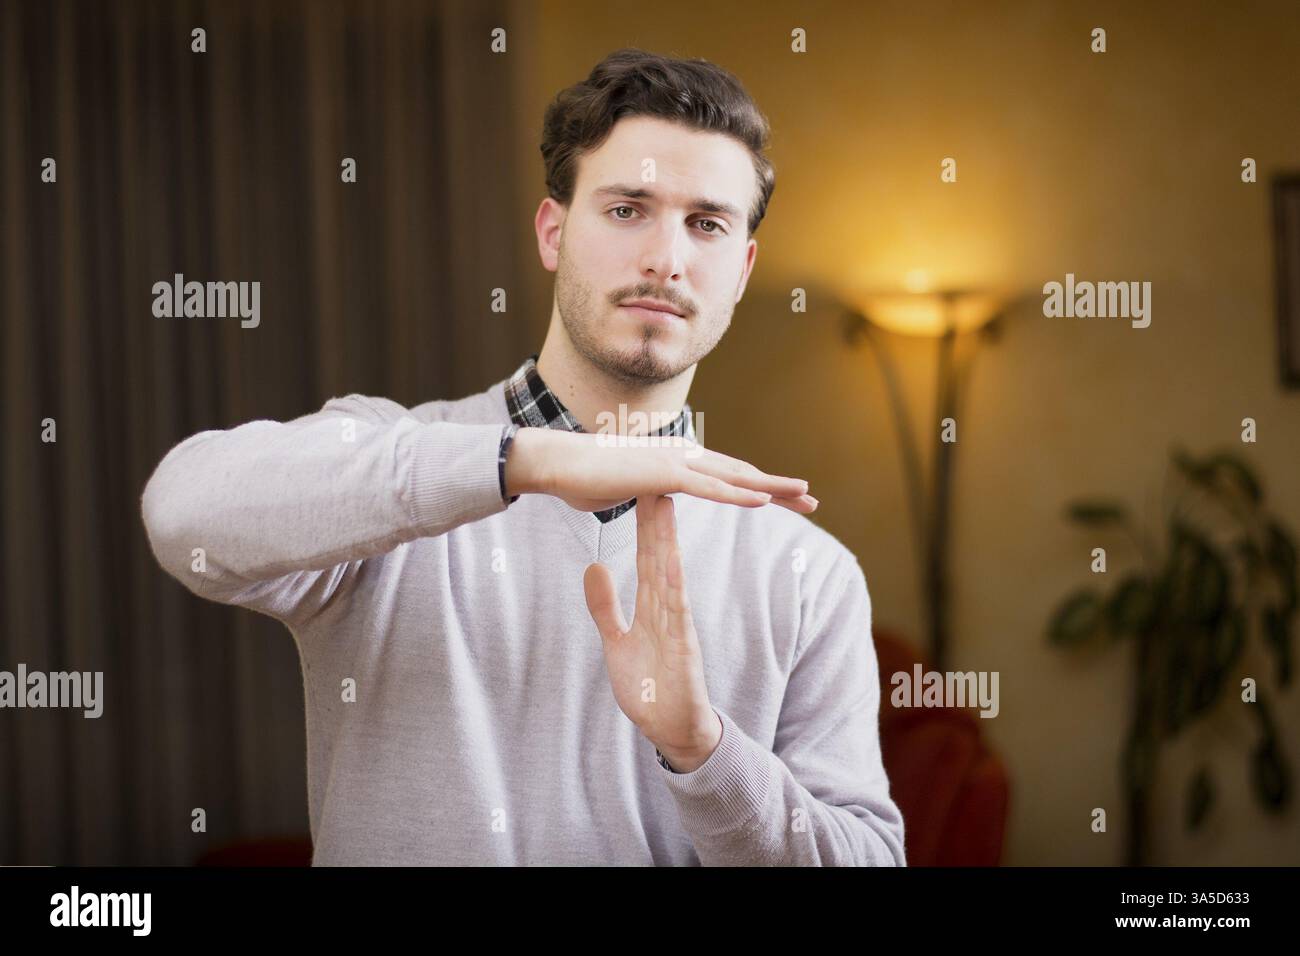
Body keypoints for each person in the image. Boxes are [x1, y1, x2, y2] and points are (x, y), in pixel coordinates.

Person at [141, 47, 906, 866]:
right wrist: (524, 463)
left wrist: (703, 749)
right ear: (553, 232)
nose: (667, 258)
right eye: (626, 210)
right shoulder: (393, 469)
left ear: (743, 268)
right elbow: (183, 512)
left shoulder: (807, 571)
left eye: (707, 223)